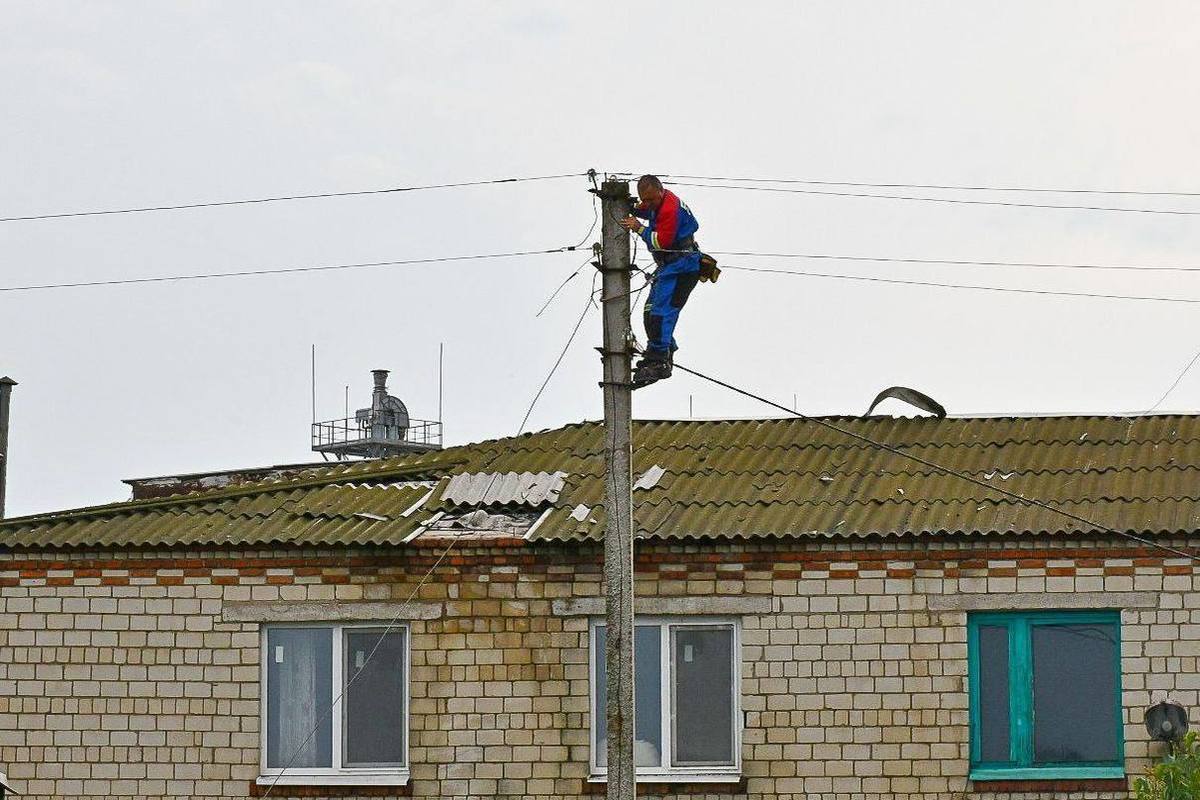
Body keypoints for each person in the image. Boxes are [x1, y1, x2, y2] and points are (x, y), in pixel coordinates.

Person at [619, 175, 701, 387]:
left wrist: (638, 227)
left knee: (660, 314)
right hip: (669, 267)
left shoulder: (670, 209)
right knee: (650, 312)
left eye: (650, 200)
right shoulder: (658, 202)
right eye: (643, 201)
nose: (647, 205)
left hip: (683, 267)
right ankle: (661, 351)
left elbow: (660, 241)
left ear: (661, 191)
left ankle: (660, 360)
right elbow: (650, 211)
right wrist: (635, 209)